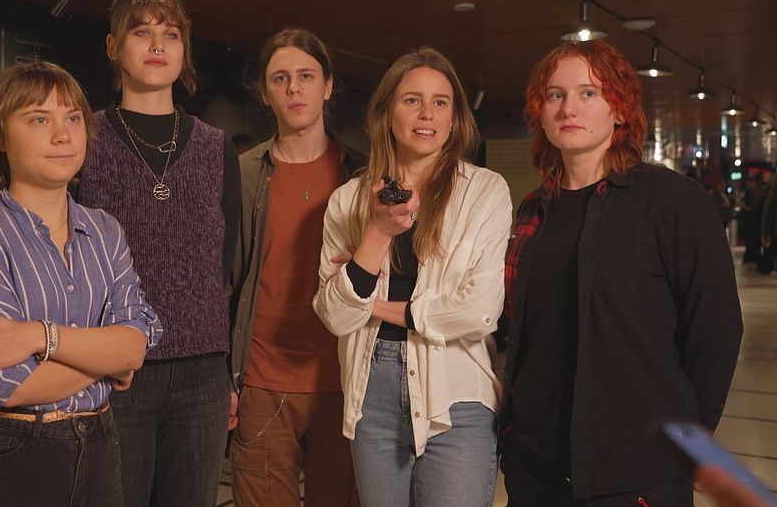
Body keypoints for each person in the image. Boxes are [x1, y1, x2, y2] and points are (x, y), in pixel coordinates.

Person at [499, 40, 743, 506]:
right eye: (555, 95)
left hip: (636, 468)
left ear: (621, 109)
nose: (569, 108)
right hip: (535, 465)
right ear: (540, 113)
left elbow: (716, 327)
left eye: (588, 93)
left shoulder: (673, 201)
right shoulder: (534, 208)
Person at [0, 61, 162, 506]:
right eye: (39, 120)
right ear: (1, 137)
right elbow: (10, 384)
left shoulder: (105, 230)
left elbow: (135, 346)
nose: (63, 135)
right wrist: (110, 358)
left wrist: (37, 336)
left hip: (101, 447)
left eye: (73, 118)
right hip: (10, 453)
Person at [313, 47, 511, 507]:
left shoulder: (484, 191)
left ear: (454, 118)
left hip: (457, 393)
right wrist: (378, 232)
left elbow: (480, 311)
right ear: (387, 113)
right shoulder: (347, 201)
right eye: (412, 100)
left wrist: (373, 305)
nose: (427, 114)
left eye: (441, 102)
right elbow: (335, 317)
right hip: (371, 394)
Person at [76, 0, 240, 507]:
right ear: (113, 46)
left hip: (202, 374)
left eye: (171, 34)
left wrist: (227, 374)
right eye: (141, 32)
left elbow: (221, 273)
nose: (157, 45)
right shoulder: (84, 139)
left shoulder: (216, 147)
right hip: (115, 368)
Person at [230, 28, 363, 507]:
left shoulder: (362, 174)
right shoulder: (242, 174)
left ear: (327, 86)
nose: (294, 88)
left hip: (346, 384)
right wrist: (226, 380)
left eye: (306, 76)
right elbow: (224, 284)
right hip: (262, 383)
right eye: (280, 78)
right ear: (265, 93)